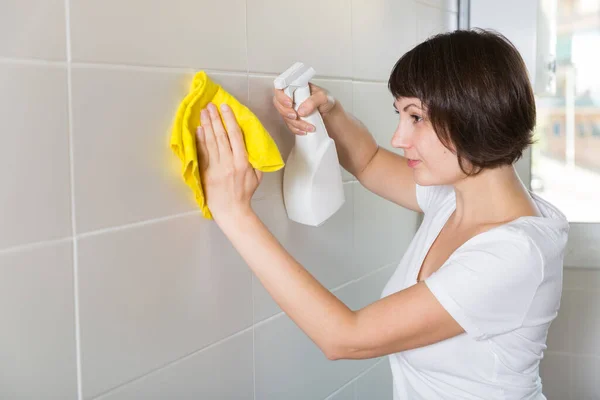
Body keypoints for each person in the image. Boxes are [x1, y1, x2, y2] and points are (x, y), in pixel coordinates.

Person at [193, 28, 569, 399]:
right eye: (401, 115)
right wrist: (328, 111)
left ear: (474, 114)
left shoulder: (512, 255)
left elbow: (346, 338)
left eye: (416, 117)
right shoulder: (461, 197)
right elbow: (370, 162)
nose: (399, 138)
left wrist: (235, 213)